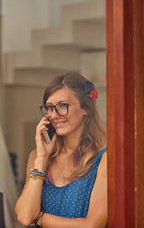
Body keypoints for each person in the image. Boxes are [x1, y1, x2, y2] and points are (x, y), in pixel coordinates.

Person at [15, 71, 107, 228]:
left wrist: (39, 218)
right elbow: (24, 216)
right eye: (50, 108)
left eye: (63, 106)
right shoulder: (37, 157)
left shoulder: (104, 159)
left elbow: (92, 225)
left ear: (86, 108)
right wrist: (42, 159)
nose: (54, 115)